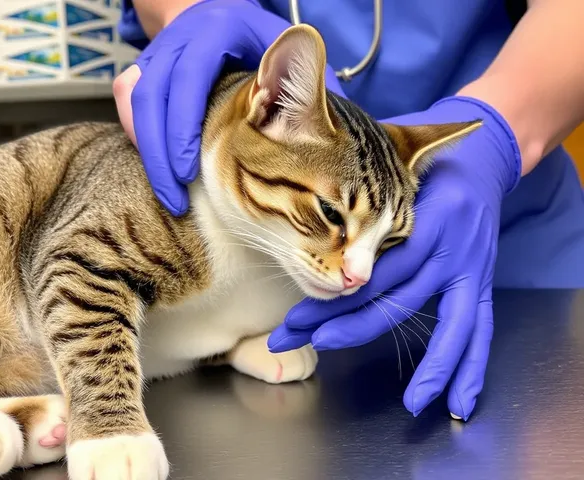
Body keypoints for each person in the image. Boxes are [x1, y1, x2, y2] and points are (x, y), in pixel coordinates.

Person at [114, 0, 584, 421]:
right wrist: (192, 10)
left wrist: (503, 132)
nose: (360, 272)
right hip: (274, 193)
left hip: (521, 240)